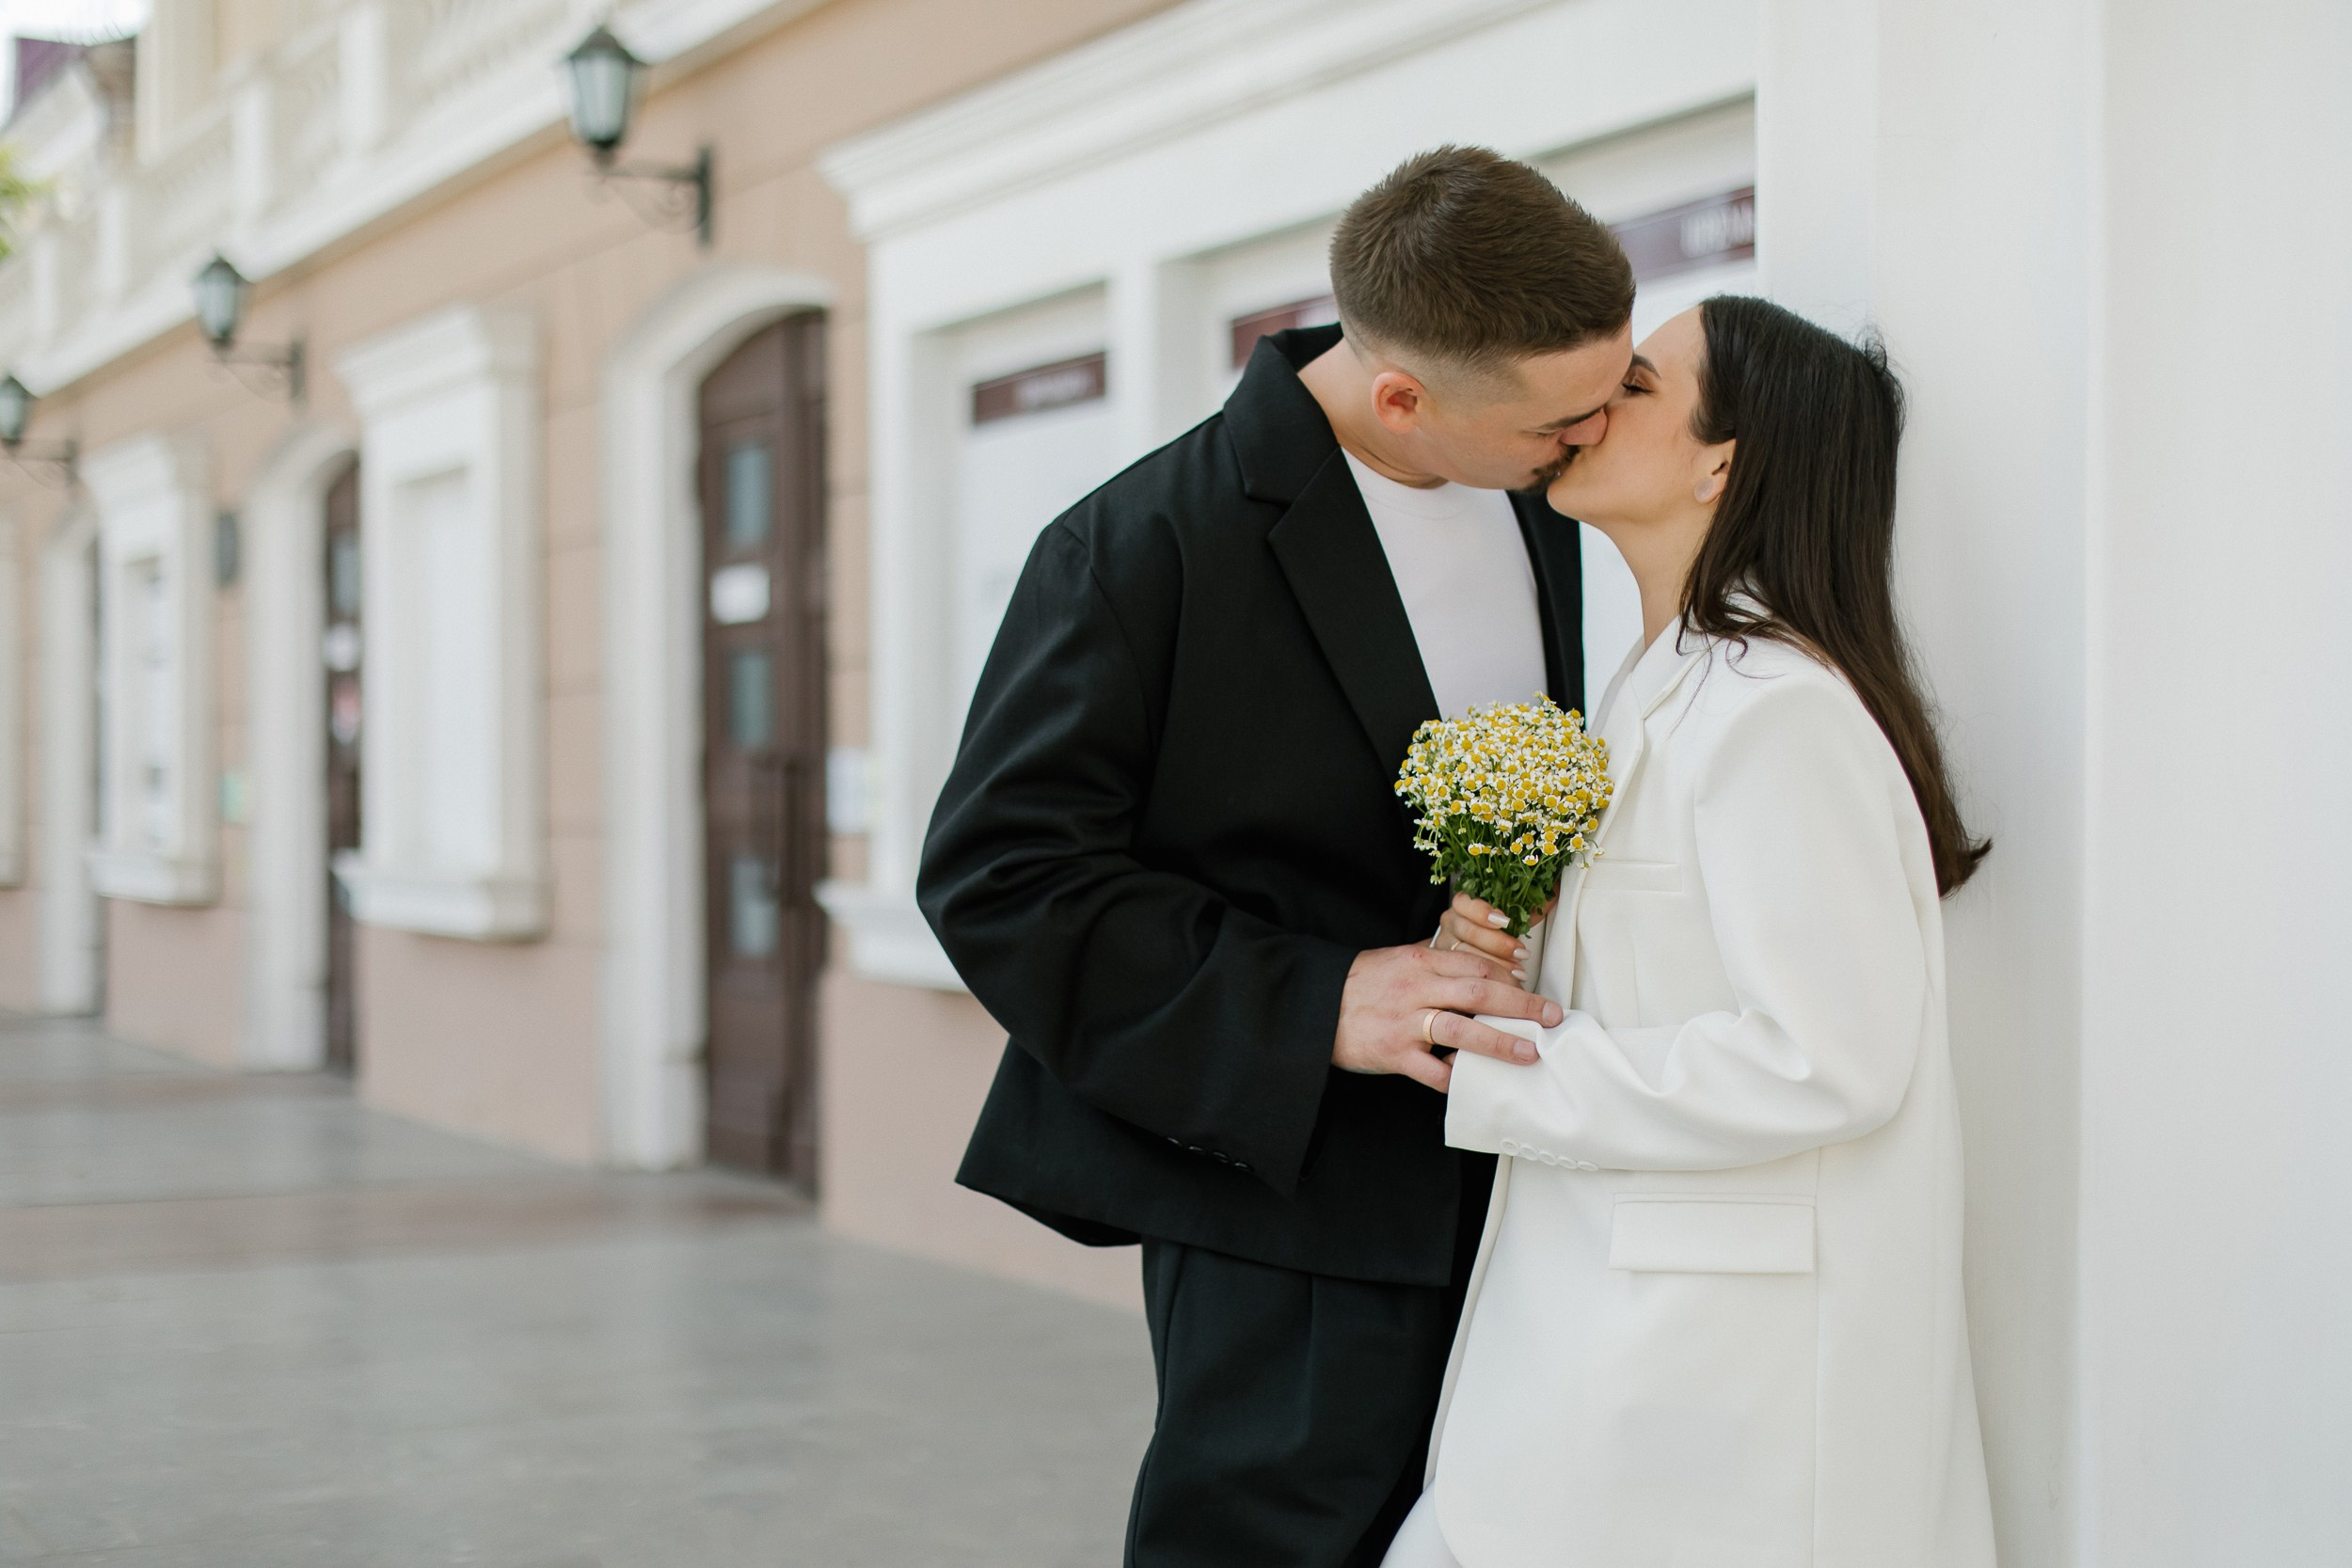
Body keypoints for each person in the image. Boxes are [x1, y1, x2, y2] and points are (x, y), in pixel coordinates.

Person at [916, 147, 1634, 1566]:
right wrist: (1320, 1001)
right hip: (1298, 1206)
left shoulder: (1575, 510)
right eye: (1563, 419)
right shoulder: (1138, 547)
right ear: (1402, 397)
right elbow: (1000, 876)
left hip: (1553, 1172)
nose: (1601, 435)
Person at [1383, 296, 1998, 1566]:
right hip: (1606, 1344)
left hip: (1714, 1381)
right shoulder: (1655, 686)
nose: (1592, 409)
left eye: (1640, 386)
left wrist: (1512, 1065)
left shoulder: (1777, 709)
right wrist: (1504, 954)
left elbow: (1829, 1056)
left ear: (1727, 457)